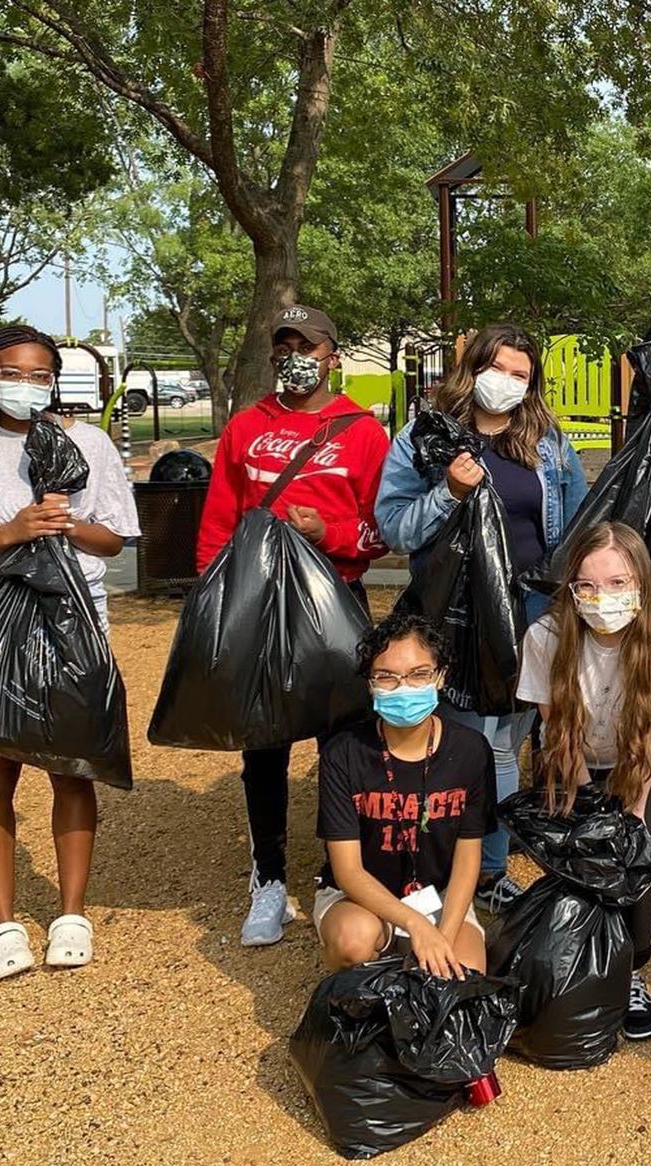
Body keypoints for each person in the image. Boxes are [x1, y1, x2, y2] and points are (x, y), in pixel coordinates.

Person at [0, 324, 140, 980]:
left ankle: (71, 912)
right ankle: (2, 922)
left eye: (40, 374)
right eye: (13, 371)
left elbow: (114, 542)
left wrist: (66, 522)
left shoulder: (86, 444)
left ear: (54, 380)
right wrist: (11, 532)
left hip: (76, 625)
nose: (26, 384)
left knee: (72, 770)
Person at [195, 303, 391, 949]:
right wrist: (213, 600)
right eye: (282, 345)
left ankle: (339, 872)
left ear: (333, 354)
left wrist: (326, 531)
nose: (293, 356)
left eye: (306, 345)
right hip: (260, 606)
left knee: (345, 744)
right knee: (264, 746)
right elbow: (219, 519)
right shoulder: (246, 426)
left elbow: (380, 532)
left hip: (337, 599)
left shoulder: (362, 432)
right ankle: (269, 882)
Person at [375, 323, 587, 913]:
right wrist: (448, 490)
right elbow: (395, 526)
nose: (509, 383)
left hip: (527, 613)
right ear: (473, 369)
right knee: (460, 741)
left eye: (521, 375)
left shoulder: (547, 442)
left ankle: (487, 872)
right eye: (499, 370)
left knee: (502, 744)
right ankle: (439, 869)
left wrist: (563, 605)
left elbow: (572, 532)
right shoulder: (426, 436)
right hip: (452, 616)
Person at [516, 522, 651, 1039]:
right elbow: (557, 725)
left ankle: (633, 970)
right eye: (588, 586)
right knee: (577, 848)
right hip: (574, 748)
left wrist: (633, 813)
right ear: (571, 588)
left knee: (636, 857)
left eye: (618, 583)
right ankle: (577, 955)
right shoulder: (546, 637)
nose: (602, 598)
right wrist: (585, 800)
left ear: (641, 582)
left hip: (639, 752)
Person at [314, 612, 494, 978]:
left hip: (439, 895)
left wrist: (441, 935)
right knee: (353, 941)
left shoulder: (471, 749)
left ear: (440, 677)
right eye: (387, 677)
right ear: (370, 684)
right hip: (360, 899)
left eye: (419, 674)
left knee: (462, 974)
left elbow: (467, 857)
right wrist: (416, 925)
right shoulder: (343, 753)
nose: (403, 688)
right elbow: (347, 870)